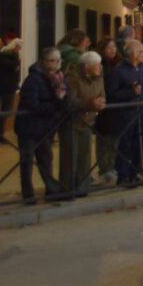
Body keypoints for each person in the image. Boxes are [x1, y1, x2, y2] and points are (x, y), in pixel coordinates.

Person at [15, 47, 69, 204]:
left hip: (46, 128)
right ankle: (28, 194)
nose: (57, 64)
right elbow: (32, 105)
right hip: (29, 127)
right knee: (27, 161)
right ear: (43, 62)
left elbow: (66, 101)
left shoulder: (59, 79)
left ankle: (51, 190)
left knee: (46, 160)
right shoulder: (33, 80)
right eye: (53, 60)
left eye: (59, 60)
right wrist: (55, 103)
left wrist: (61, 99)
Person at [59, 51, 105, 197]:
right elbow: (71, 101)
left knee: (85, 156)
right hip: (72, 121)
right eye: (96, 65)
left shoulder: (98, 77)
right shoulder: (72, 78)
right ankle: (68, 189)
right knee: (70, 156)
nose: (99, 67)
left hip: (88, 121)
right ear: (86, 66)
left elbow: (102, 94)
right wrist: (91, 103)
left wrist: (101, 102)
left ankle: (83, 187)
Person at [108, 39, 143, 187]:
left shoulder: (142, 68)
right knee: (126, 145)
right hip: (126, 115)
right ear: (133, 54)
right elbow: (113, 94)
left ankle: (136, 172)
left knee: (140, 145)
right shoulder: (119, 71)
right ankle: (123, 175)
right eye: (142, 51)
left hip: (141, 113)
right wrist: (130, 92)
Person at [94, 37, 120, 184]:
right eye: (109, 47)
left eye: (114, 47)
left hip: (116, 107)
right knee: (104, 139)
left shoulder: (118, 64)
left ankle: (112, 165)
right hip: (104, 106)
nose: (112, 50)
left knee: (115, 138)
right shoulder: (100, 65)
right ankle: (104, 168)